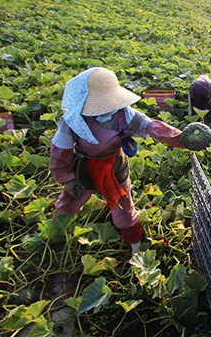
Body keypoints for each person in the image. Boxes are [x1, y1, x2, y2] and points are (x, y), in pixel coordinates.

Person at [49, 67, 185, 255]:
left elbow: (150, 126)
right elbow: (60, 151)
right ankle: (56, 235)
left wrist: (180, 138)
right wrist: (67, 178)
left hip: (114, 165)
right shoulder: (73, 120)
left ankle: (135, 245)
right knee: (70, 199)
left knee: (124, 203)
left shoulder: (124, 113)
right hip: (84, 167)